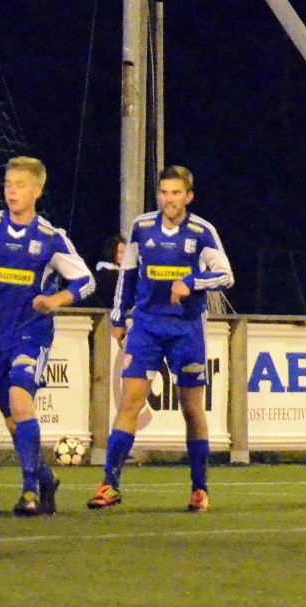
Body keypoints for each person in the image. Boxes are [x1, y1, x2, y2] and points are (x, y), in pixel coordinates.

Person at [0, 156, 95, 516]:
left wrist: (55, 300)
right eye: (8, 184)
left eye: (20, 185)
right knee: (13, 419)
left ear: (37, 191)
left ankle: (29, 491)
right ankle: (46, 479)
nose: (11, 191)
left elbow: (86, 280)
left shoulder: (51, 238)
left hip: (31, 333)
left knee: (19, 397)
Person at [87, 165, 233, 512]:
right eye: (164, 193)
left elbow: (226, 276)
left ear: (188, 197)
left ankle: (199, 488)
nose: (169, 199)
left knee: (192, 408)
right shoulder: (142, 227)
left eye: (176, 193)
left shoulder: (202, 232)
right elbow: (127, 275)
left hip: (186, 330)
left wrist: (192, 282)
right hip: (147, 328)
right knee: (129, 403)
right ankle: (110, 485)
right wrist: (118, 318)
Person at [90, 234, 126, 309]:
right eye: (121, 252)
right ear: (112, 253)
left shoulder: (127, 272)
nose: (125, 255)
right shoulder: (105, 274)